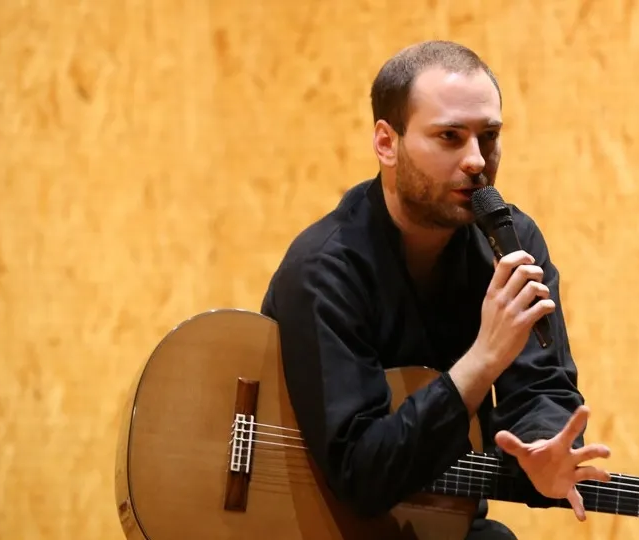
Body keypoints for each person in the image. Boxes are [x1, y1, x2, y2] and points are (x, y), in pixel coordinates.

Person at [260, 40, 611, 539]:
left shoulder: (511, 243)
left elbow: (538, 386)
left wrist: (543, 448)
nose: (476, 160)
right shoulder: (324, 268)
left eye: (488, 136)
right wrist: (480, 361)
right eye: (450, 137)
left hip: (441, 517)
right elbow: (361, 472)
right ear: (386, 143)